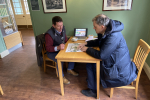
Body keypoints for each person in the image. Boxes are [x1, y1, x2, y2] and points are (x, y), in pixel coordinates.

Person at [78, 14, 137, 98]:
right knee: (92, 63)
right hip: (118, 63)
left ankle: (93, 90)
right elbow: (99, 42)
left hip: (119, 72)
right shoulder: (108, 30)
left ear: (102, 26)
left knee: (91, 64)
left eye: (95, 26)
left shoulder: (113, 36)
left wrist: (86, 49)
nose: (93, 28)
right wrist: (86, 43)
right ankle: (93, 81)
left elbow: (102, 55)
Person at [45, 16, 78, 84]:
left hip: (61, 49)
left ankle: (69, 69)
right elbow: (48, 48)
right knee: (60, 59)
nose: (61, 28)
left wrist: (68, 43)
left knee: (73, 53)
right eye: (58, 26)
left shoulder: (62, 29)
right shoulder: (49, 34)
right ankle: (61, 77)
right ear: (53, 25)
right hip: (51, 52)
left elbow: (65, 39)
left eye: (62, 25)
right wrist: (58, 48)